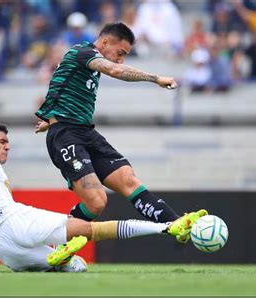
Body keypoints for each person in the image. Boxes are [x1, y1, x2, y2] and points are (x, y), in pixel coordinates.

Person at [0, 122, 208, 272]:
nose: (7, 147)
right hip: (16, 221)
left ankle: (58, 256)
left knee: (77, 268)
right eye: (2, 141)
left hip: (2, 251)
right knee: (89, 230)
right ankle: (169, 227)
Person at [35, 22, 207, 243]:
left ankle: (176, 224)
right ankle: (52, 241)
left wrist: (51, 118)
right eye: (120, 53)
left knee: (128, 180)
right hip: (66, 136)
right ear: (105, 42)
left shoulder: (85, 62)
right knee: (96, 203)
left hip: (85, 132)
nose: (121, 59)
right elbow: (114, 70)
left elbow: (66, 89)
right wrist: (155, 79)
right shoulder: (83, 52)